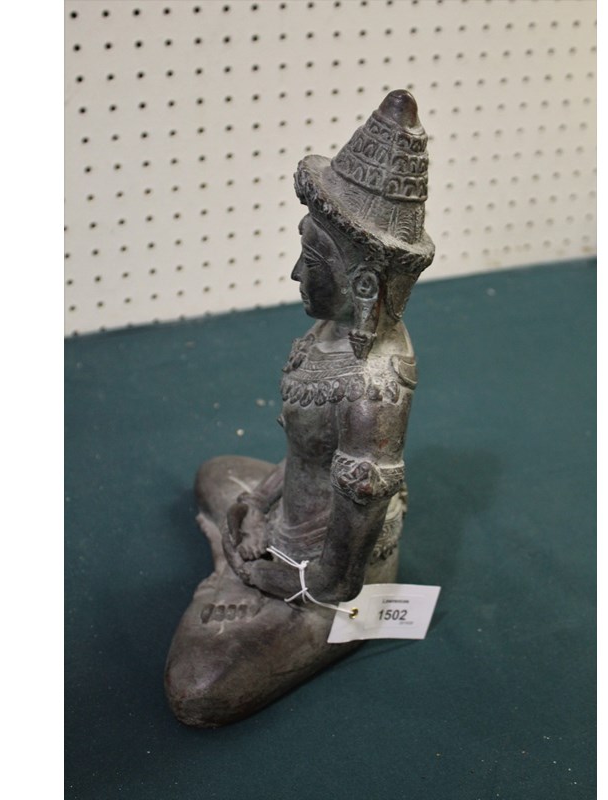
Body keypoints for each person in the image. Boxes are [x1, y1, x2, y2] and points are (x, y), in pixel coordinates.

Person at [165, 90, 435, 727]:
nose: (294, 273)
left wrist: (266, 574)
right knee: (220, 475)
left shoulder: (375, 387)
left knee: (198, 689)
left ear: (362, 284)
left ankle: (240, 576)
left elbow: (339, 580)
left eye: (311, 261)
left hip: (316, 575)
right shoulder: (331, 333)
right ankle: (233, 547)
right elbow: (308, 456)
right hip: (292, 516)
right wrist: (257, 504)